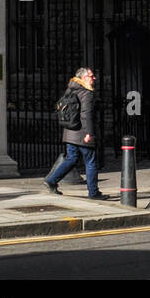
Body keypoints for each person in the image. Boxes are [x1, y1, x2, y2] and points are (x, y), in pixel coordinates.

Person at [43, 66, 110, 200]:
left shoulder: (71, 88)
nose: (94, 78)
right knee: (91, 162)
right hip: (82, 132)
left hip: (70, 132)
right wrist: (89, 133)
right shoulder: (86, 93)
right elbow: (86, 114)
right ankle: (93, 193)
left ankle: (51, 180)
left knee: (71, 159)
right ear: (84, 78)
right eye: (91, 76)